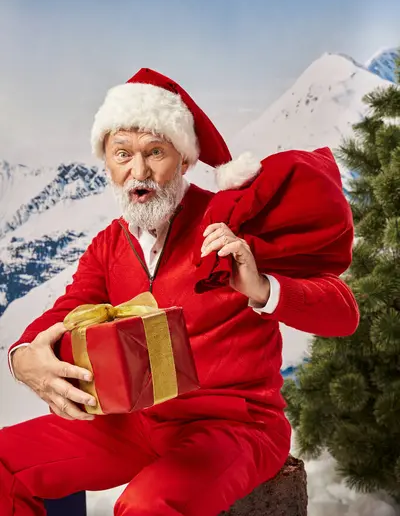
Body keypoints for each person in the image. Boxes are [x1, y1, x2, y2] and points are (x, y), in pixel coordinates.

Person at [0, 68, 359, 516]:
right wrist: (22, 355)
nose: (139, 172)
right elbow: (68, 309)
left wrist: (262, 287)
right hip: (138, 423)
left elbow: (343, 313)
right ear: (107, 163)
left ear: (184, 160)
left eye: (155, 152)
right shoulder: (109, 244)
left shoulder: (232, 223)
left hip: (237, 425)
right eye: (122, 154)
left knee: (148, 506)